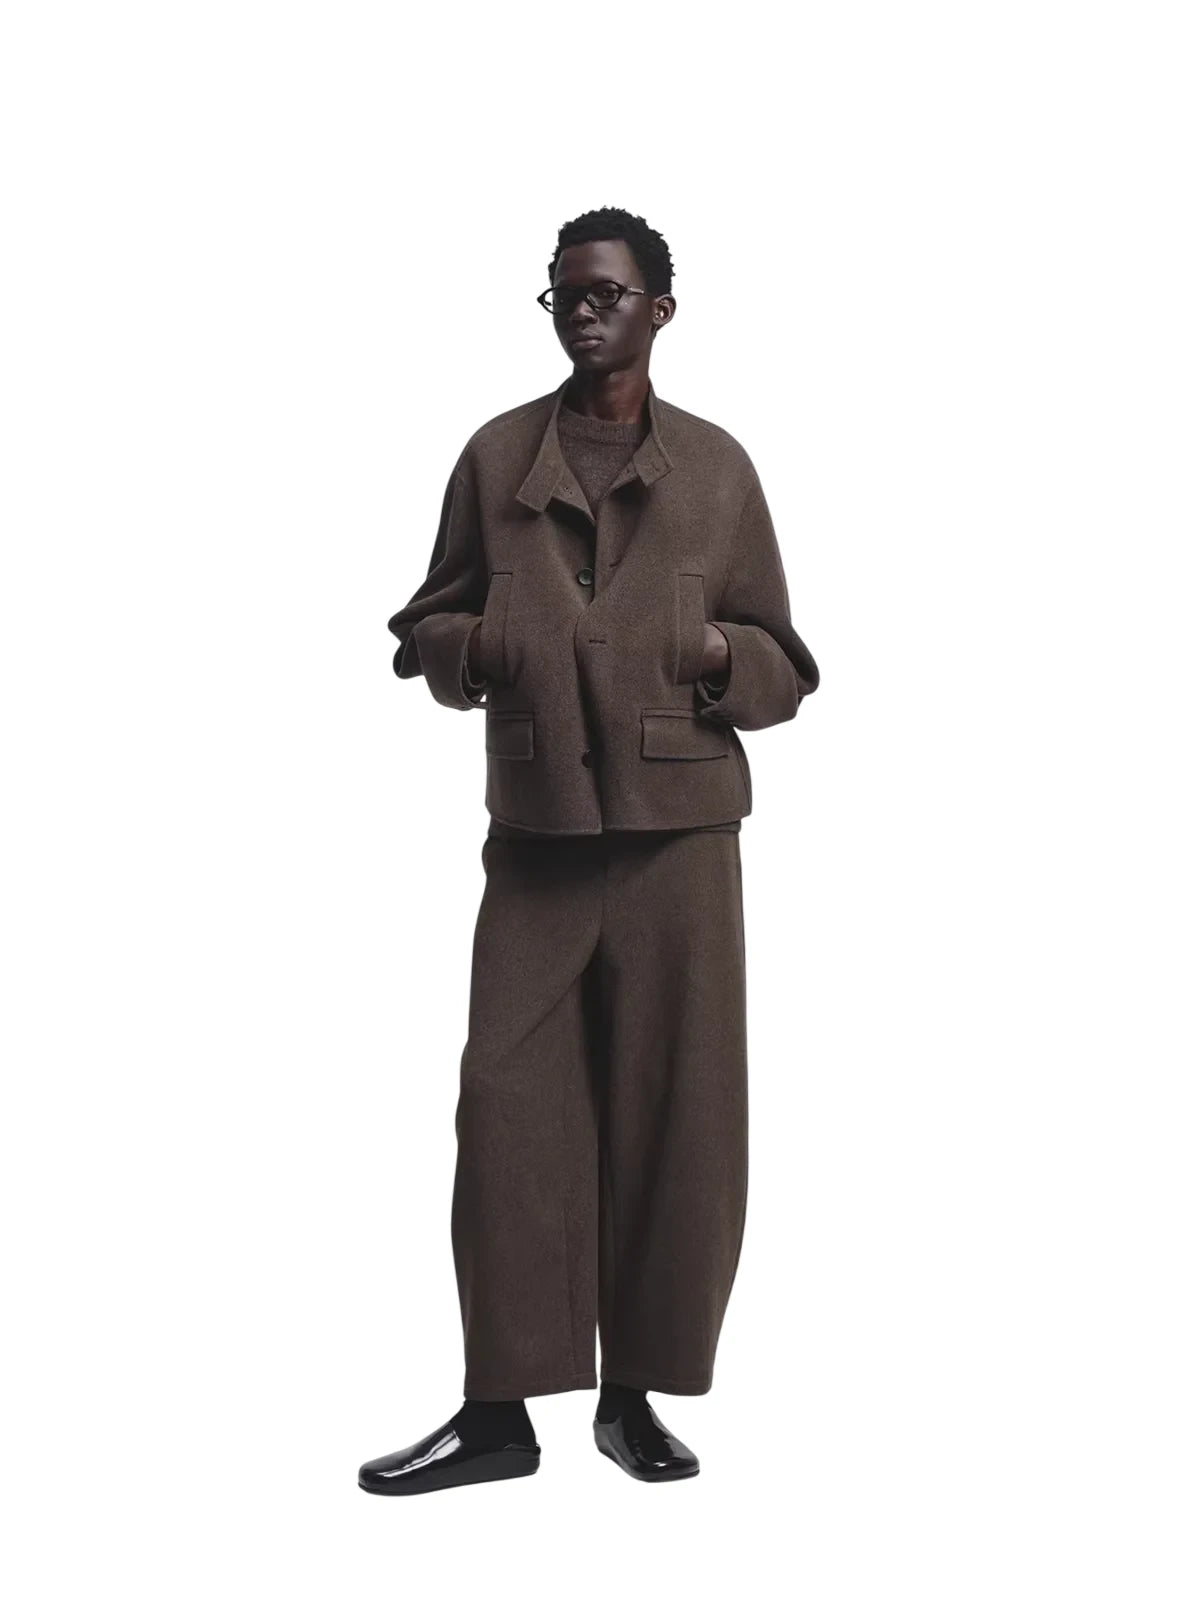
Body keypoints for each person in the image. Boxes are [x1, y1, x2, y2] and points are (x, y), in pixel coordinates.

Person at [359, 206, 819, 1494]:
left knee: (678, 1114)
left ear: (660, 308)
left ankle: (635, 1398)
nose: (582, 309)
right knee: (507, 1104)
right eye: (563, 291)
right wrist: (485, 646)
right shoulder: (496, 453)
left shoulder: (717, 469)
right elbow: (423, 624)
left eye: (607, 291)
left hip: (683, 843)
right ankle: (498, 1413)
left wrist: (713, 650)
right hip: (539, 832)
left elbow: (786, 666)